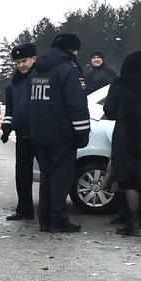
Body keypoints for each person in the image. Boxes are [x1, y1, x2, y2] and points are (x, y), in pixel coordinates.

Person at [28, 33, 91, 233]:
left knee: (46, 176)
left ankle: (44, 219)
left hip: (39, 132)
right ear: (73, 49)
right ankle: (58, 219)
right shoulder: (69, 69)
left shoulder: (37, 69)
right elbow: (76, 104)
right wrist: (83, 133)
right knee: (61, 178)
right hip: (62, 134)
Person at [104, 49, 141, 236]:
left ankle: (132, 223)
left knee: (129, 182)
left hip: (126, 134)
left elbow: (109, 110)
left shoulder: (119, 84)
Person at [0, 42, 36, 220]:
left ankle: (49, 210)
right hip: (22, 134)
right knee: (22, 175)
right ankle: (24, 209)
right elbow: (10, 110)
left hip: (41, 133)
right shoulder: (12, 85)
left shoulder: (41, 78)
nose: (21, 65)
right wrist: (7, 127)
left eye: (25, 60)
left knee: (47, 173)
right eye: (18, 62)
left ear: (34, 58)